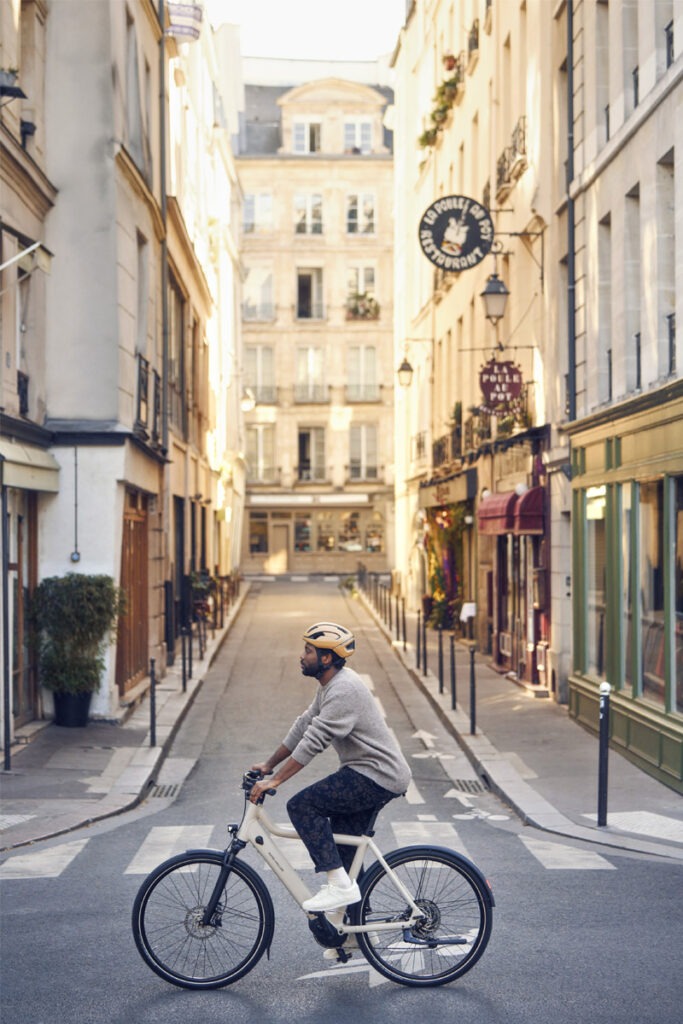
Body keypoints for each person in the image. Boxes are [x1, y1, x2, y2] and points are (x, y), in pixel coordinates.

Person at [249, 621, 411, 913]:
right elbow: (304, 725)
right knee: (346, 854)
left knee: (302, 806)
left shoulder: (344, 690)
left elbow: (314, 740)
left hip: (377, 775)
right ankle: (356, 932)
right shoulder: (330, 686)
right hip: (367, 772)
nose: (301, 655)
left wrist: (276, 782)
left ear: (326, 658)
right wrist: (269, 765)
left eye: (308, 651)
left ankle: (337, 885)